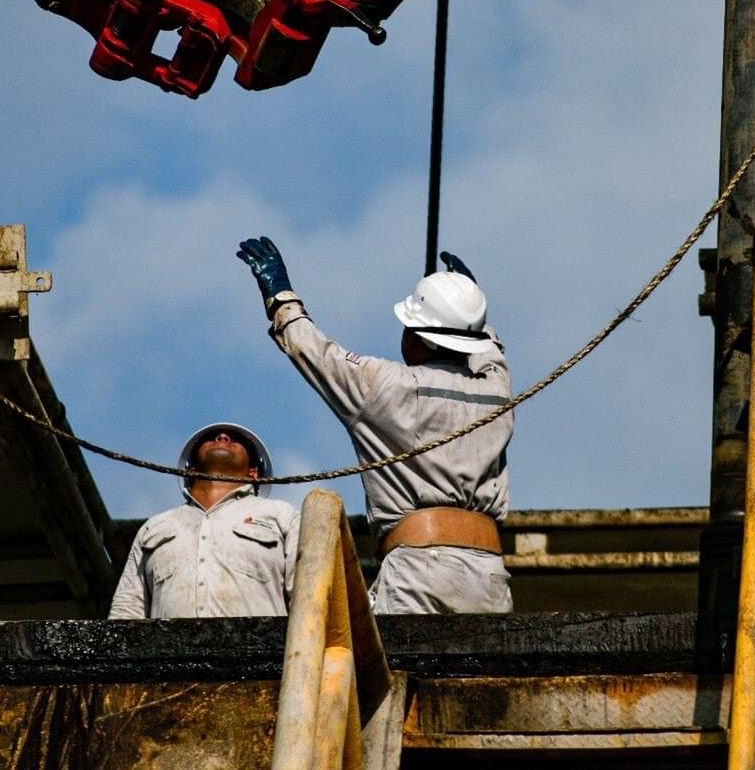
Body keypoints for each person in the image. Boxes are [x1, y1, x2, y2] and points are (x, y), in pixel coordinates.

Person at [236, 237, 513, 614]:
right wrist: (470, 307)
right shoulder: (498, 393)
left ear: (419, 338)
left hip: (419, 572)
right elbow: (491, 355)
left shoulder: (385, 386)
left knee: (391, 667)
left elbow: (313, 351)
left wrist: (280, 296)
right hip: (490, 576)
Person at [109, 422, 300, 619]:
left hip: (263, 650)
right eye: (211, 438)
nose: (223, 437)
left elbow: (307, 599)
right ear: (190, 470)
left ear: (254, 472)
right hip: (173, 650)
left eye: (236, 439)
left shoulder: (281, 515)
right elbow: (127, 610)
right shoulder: (155, 527)